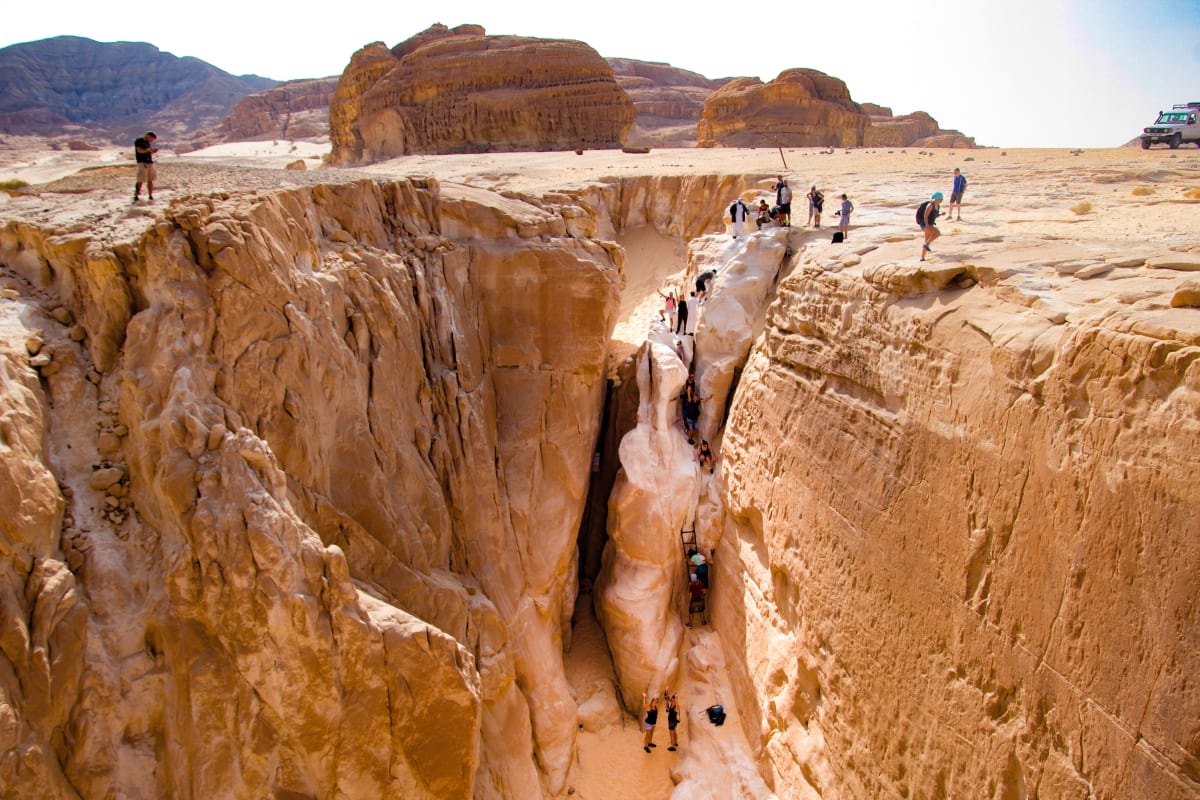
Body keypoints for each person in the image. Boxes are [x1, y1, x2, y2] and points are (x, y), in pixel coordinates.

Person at [917, 192, 944, 261]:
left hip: (929, 224)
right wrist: (926, 225)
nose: (941, 201)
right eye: (940, 199)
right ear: (936, 198)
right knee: (937, 233)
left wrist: (941, 214)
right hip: (925, 224)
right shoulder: (930, 205)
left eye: (942, 199)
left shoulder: (937, 206)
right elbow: (925, 215)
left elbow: (934, 216)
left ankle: (922, 258)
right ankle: (926, 244)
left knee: (927, 239)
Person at [133, 132, 158, 203]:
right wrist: (148, 150)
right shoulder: (139, 141)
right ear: (148, 136)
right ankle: (136, 196)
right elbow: (139, 150)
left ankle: (150, 195)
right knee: (141, 179)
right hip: (142, 162)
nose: (151, 141)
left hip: (149, 162)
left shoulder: (147, 143)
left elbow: (147, 151)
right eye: (151, 139)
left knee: (150, 179)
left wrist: (151, 151)